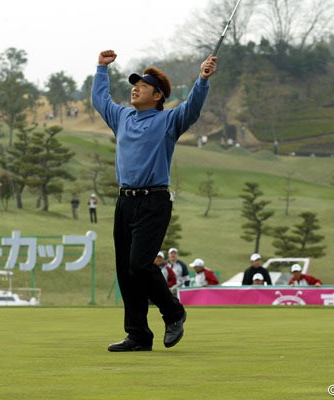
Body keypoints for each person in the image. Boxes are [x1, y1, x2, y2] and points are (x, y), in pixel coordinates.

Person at [93, 49, 217, 352]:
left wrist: (202, 79)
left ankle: (173, 312)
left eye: (143, 86)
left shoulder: (169, 120)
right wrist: (100, 69)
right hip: (125, 202)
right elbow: (100, 100)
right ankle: (138, 335)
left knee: (139, 264)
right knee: (126, 270)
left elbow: (192, 108)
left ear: (158, 95)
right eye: (134, 84)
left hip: (154, 200)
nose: (135, 88)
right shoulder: (122, 116)